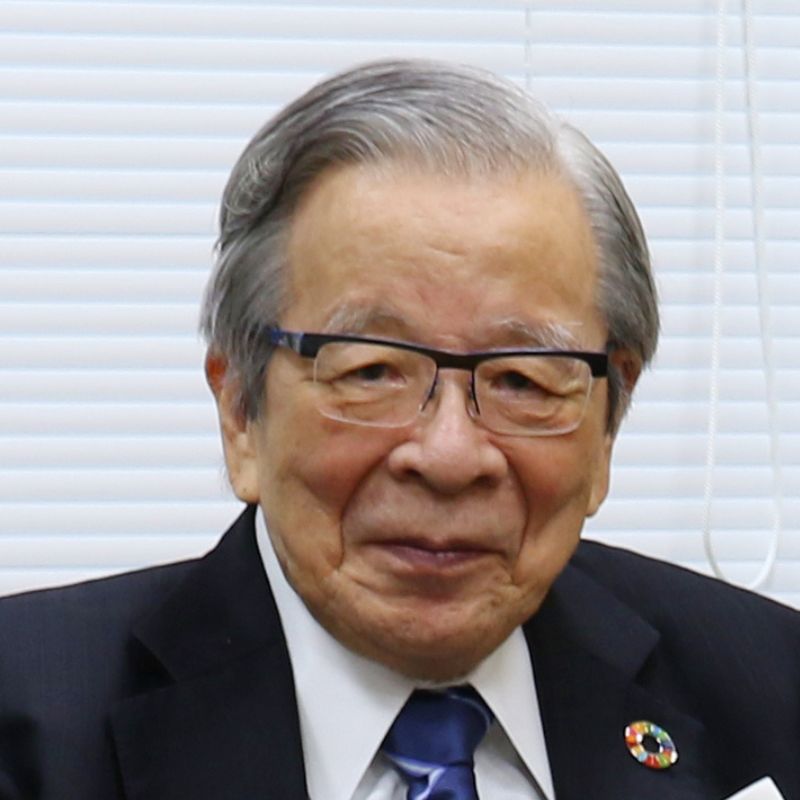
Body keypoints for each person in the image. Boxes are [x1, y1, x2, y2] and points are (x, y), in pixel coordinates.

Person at [0, 59, 796, 800]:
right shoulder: (27, 724)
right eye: (372, 372)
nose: (449, 457)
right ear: (240, 410)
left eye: (521, 381)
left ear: (607, 425)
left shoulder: (771, 691)